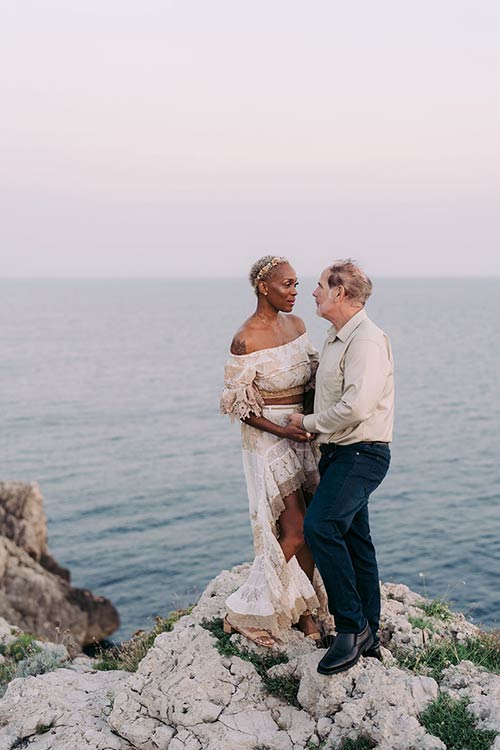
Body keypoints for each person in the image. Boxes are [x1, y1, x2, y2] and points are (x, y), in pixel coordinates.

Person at [288, 259, 394, 674]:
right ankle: (368, 631)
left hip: (362, 452)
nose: (312, 292)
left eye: (318, 286)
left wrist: (308, 424)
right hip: (339, 453)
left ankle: (351, 628)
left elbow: (357, 405)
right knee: (355, 540)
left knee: (320, 526)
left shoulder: (365, 340)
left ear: (341, 293)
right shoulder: (335, 338)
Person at [220, 255, 329, 648]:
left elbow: (315, 380)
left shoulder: (298, 326)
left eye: (298, 284)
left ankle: (306, 612)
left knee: (313, 529)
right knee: (294, 529)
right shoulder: (245, 338)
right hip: (269, 441)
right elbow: (242, 408)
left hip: (304, 433)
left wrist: (315, 423)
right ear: (264, 287)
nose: (295, 293)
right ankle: (247, 609)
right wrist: (283, 430)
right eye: (287, 285)